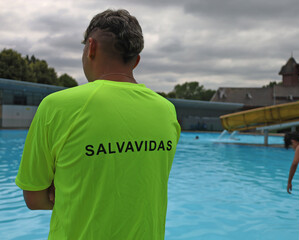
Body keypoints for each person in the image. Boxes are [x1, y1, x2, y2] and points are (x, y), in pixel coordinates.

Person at [15, 9, 180, 240]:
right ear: (136, 60)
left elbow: (34, 198)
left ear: (91, 47)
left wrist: (63, 190)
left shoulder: (57, 106)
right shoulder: (166, 111)